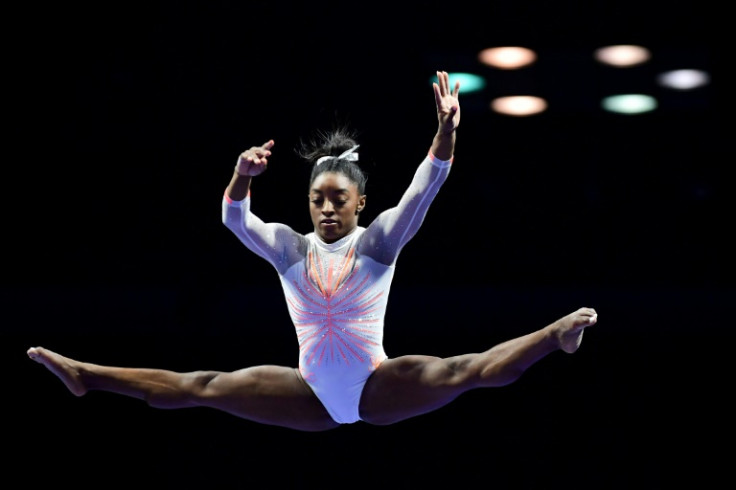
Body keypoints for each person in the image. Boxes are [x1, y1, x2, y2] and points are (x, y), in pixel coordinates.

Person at [27, 70, 598, 432]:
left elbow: (427, 184)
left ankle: (555, 336)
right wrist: (240, 175)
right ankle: (86, 374)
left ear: (360, 203)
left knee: (462, 371)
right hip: (307, 393)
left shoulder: (379, 243)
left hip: (377, 386)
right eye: (316, 199)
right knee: (198, 386)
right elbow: (233, 218)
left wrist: (446, 131)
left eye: (338, 200)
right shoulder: (288, 248)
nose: (326, 209)